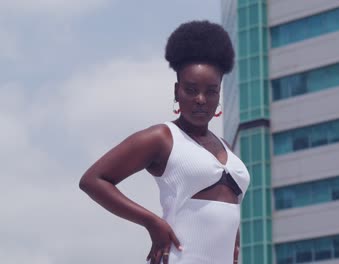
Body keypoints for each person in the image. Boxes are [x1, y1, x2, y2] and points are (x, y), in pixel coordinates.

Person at [79, 20, 250, 264]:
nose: (201, 99)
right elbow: (93, 180)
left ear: (218, 94)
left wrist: (234, 242)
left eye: (210, 91)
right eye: (191, 90)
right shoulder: (163, 138)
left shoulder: (226, 148)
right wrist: (152, 222)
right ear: (176, 92)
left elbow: (227, 207)